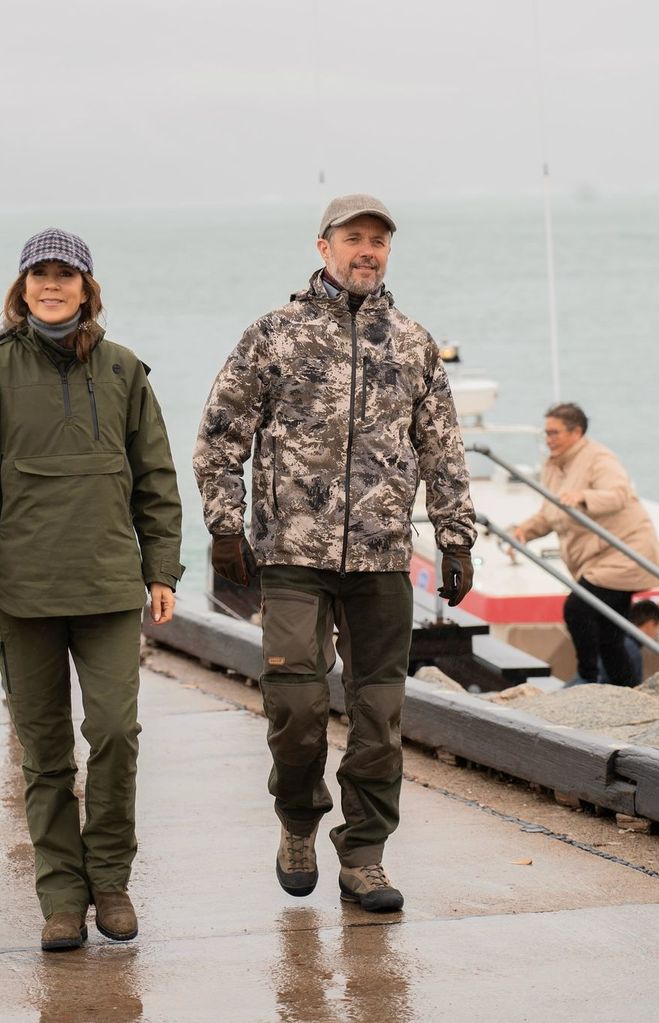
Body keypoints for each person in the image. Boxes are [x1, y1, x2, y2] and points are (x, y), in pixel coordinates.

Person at [193, 194, 476, 913]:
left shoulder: (411, 344)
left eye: (378, 242)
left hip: (382, 559)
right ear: (323, 246)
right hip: (291, 552)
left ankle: (364, 855)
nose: (366, 251)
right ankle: (296, 818)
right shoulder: (274, 335)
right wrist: (225, 527)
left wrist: (454, 536)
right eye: (353, 238)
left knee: (379, 715)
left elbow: (441, 449)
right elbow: (221, 434)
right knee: (295, 702)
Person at [0, 228, 184, 952]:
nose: (52, 285)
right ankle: (62, 896)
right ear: (21, 287)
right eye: (39, 274)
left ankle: (110, 879)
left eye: (65, 275)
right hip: (21, 591)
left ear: (86, 286)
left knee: (113, 733)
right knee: (44, 755)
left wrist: (160, 568)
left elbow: (156, 479)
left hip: (107, 586)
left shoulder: (123, 369)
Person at [513, 403, 659, 686]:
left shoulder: (599, 459)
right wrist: (525, 531)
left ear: (576, 432)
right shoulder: (554, 465)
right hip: (597, 557)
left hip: (625, 553)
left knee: (578, 608)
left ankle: (588, 678)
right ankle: (623, 689)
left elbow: (619, 494)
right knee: (610, 634)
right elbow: (552, 511)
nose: (548, 439)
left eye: (554, 433)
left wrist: (583, 497)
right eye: (546, 433)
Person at [598, 599, 659, 685]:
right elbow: (629, 691)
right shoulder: (630, 650)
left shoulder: (618, 640)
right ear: (650, 623)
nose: (657, 632)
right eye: (657, 626)